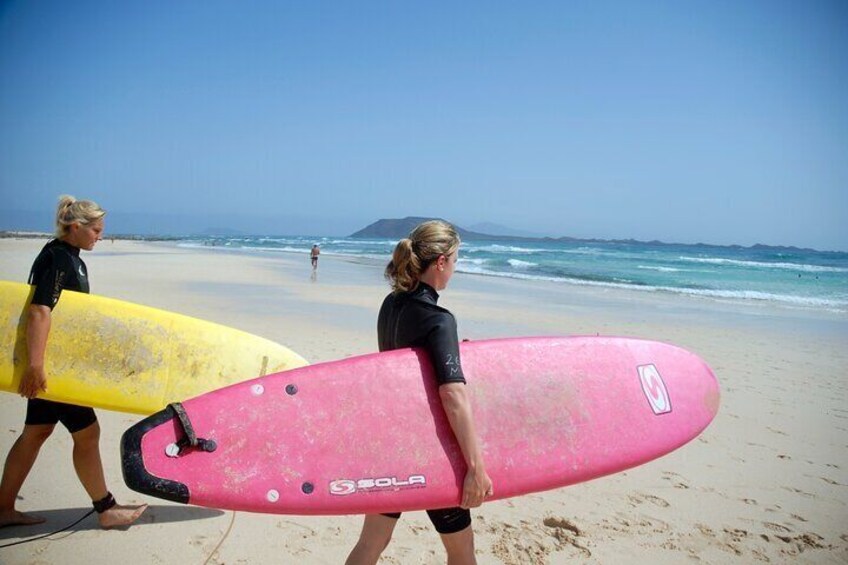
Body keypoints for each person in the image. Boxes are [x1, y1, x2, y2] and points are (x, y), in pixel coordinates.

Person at [345, 220, 493, 565]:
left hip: (390, 449)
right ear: (440, 262)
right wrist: (476, 466)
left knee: (371, 544)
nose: (455, 268)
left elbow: (409, 366)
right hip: (428, 454)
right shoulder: (438, 319)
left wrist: (451, 352)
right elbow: (453, 397)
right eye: (455, 260)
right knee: (461, 551)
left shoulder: (391, 305)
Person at [0, 195, 148, 529]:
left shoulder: (70, 256)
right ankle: (106, 509)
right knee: (88, 433)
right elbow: (40, 309)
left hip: (55, 363)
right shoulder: (58, 257)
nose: (99, 235)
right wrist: (35, 366)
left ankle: (3, 508)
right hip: (53, 369)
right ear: (76, 227)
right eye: (96, 230)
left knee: (35, 433)